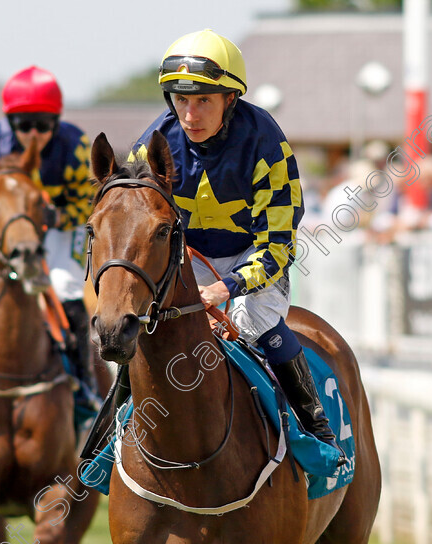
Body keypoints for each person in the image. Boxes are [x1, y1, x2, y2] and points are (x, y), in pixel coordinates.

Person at [124, 29, 344, 462]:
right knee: (143, 329)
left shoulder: (266, 142)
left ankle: (314, 427)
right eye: (180, 99)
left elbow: (278, 245)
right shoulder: (151, 145)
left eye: (204, 100)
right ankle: (108, 443)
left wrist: (225, 288)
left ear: (231, 99)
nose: (190, 114)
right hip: (185, 258)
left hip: (253, 256)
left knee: (252, 318)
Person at [0, 66, 98, 403]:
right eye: (24, 125)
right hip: (5, 233)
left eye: (45, 124)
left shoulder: (76, 146)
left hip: (58, 227)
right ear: (9, 122)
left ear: (57, 121)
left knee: (64, 284)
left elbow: (89, 203)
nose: (35, 134)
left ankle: (83, 379)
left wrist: (59, 216)